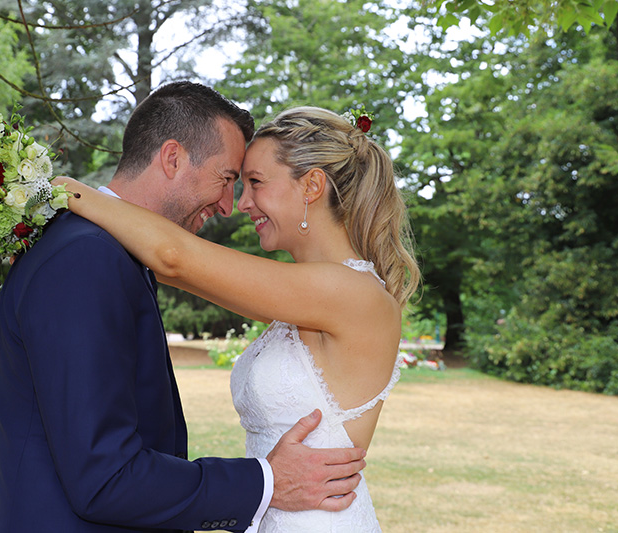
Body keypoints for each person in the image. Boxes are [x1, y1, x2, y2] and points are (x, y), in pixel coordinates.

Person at [0, 83, 367, 533]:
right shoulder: (88, 257)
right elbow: (105, 477)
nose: (230, 206)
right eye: (227, 179)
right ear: (172, 158)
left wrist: (15, 490)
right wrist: (266, 482)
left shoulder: (76, 241)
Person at [53, 105, 421, 532]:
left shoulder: (351, 293)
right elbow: (180, 271)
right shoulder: (301, 295)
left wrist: (65, 189)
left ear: (312, 186)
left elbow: (174, 259)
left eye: (256, 184)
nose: (241, 204)